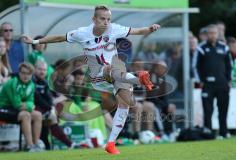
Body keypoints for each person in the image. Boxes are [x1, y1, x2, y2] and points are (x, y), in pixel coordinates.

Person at [22, 5, 160, 154]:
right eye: (102, 19)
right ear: (94, 19)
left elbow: (137, 31)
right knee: (113, 66)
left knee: (126, 103)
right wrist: (35, 42)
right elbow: (59, 38)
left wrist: (150, 29)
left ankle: (111, 143)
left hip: (116, 76)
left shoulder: (114, 29)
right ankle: (138, 79)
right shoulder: (82, 33)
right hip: (98, 77)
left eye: (108, 19)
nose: (106, 22)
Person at [196, 24, 231, 139]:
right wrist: (200, 80)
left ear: (218, 34)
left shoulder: (224, 47)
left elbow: (229, 66)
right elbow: (196, 66)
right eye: (210, 33)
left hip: (222, 84)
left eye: (214, 33)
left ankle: (223, 132)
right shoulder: (201, 48)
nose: (212, 35)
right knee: (208, 110)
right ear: (206, 35)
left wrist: (228, 80)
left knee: (223, 110)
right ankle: (208, 133)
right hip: (207, 84)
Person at [33, 60, 76, 149]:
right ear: (34, 69)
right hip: (32, 108)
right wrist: (50, 107)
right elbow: (37, 99)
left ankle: (68, 144)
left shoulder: (44, 82)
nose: (42, 72)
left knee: (52, 116)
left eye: (44, 70)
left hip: (42, 108)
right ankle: (68, 144)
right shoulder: (31, 81)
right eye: (40, 69)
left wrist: (51, 107)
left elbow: (48, 98)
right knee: (50, 116)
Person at [0, 62, 42, 152]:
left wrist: (28, 105)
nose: (25, 76)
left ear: (31, 75)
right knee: (25, 115)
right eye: (23, 73)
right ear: (19, 73)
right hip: (3, 108)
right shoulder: (13, 83)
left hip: (16, 110)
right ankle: (29, 146)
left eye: (28, 74)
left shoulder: (31, 85)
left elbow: (31, 101)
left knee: (38, 115)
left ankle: (36, 145)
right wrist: (30, 106)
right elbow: (17, 104)